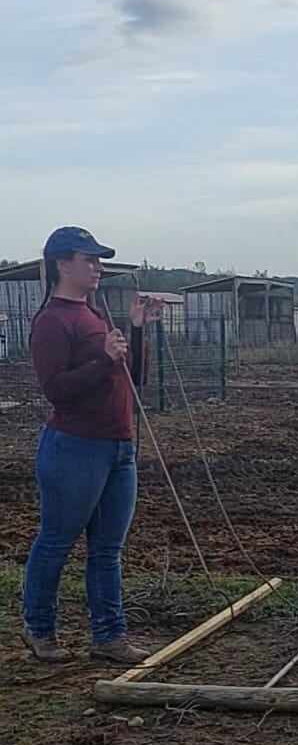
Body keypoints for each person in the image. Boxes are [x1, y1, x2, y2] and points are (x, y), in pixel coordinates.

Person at [22, 227, 164, 665]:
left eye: (99, 260)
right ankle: (40, 630)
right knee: (57, 541)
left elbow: (132, 378)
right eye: (90, 259)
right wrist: (103, 357)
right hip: (75, 448)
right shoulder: (52, 321)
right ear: (63, 264)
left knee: (108, 549)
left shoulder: (96, 315)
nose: (98, 267)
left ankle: (109, 636)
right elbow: (57, 391)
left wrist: (136, 331)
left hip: (119, 446)